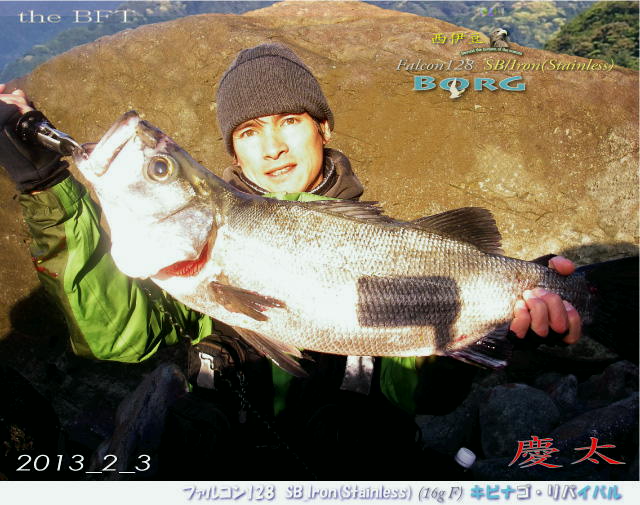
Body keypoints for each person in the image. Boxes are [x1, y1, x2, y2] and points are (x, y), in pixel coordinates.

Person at [0, 44, 582, 478]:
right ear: (232, 151)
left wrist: (514, 328)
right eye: (249, 131)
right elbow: (115, 338)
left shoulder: (385, 242)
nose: (272, 146)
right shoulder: (185, 266)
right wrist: (44, 183)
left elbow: (419, 395)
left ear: (322, 127)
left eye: (291, 121)